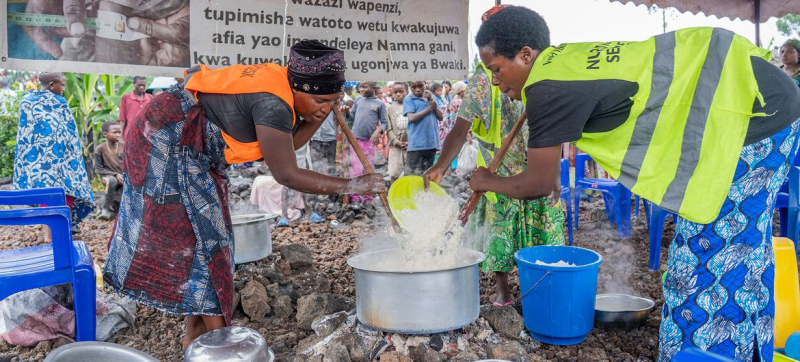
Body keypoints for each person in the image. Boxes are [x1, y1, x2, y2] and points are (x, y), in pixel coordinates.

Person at [471, 6, 800, 361]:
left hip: (750, 111)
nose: (494, 81)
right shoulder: (561, 63)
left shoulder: (546, 86)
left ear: (525, 55)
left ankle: (708, 353)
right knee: (744, 251)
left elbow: (537, 183)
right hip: (757, 97)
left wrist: (488, 180)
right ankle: (745, 352)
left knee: (710, 262)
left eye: (496, 70)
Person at [104, 40, 385, 347]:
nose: (326, 107)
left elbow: (285, 148)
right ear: (299, 89)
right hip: (166, 141)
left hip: (192, 148)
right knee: (204, 239)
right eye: (321, 100)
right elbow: (286, 173)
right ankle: (219, 340)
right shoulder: (272, 103)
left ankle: (196, 337)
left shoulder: (285, 91)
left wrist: (316, 118)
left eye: (332, 101)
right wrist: (353, 185)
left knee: (209, 236)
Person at [424, 6, 564, 307]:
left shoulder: (545, 75)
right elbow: (460, 130)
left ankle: (542, 292)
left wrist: (554, 175)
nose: (495, 75)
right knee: (498, 233)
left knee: (544, 234)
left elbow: (556, 131)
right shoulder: (481, 81)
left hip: (536, 168)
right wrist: (440, 166)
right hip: (498, 174)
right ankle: (503, 291)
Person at [13, 72, 95, 234]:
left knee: (57, 193)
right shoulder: (43, 102)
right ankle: (51, 235)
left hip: (55, 160)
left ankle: (54, 233)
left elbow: (64, 131)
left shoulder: (29, 102)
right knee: (55, 194)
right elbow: (29, 134)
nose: (64, 89)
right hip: (44, 161)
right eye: (62, 85)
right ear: (52, 85)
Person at [348, 81, 388, 203]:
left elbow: (385, 123)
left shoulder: (380, 104)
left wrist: (378, 131)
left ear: (373, 87)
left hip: (370, 142)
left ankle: (367, 198)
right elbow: (351, 118)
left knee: (368, 168)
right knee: (356, 169)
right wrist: (346, 112)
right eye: (360, 87)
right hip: (356, 140)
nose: (361, 89)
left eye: (365, 87)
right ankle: (355, 197)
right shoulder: (358, 100)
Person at [404, 81, 442, 175]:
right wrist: (429, 109)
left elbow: (440, 117)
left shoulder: (431, 98)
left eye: (420, 86)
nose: (418, 89)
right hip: (417, 144)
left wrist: (433, 105)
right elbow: (411, 118)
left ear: (425, 85)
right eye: (414, 87)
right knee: (412, 173)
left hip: (431, 143)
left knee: (427, 173)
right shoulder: (409, 99)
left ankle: (424, 190)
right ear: (410, 87)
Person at [94, 121, 125, 221]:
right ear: (105, 134)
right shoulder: (100, 149)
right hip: (107, 177)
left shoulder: (124, 146)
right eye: (114, 132)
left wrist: (123, 175)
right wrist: (116, 174)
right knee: (112, 180)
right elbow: (98, 169)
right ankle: (106, 209)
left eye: (119, 132)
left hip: (123, 176)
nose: (118, 134)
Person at [118, 76, 154, 141]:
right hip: (130, 134)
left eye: (143, 85)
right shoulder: (126, 97)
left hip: (146, 135)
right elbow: (122, 120)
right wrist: (120, 137)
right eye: (139, 85)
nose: (141, 87)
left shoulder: (150, 98)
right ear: (134, 84)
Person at [386, 82, 409, 181]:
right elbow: (388, 128)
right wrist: (396, 142)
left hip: (410, 146)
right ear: (392, 94)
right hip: (396, 147)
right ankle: (393, 194)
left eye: (401, 91)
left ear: (407, 92)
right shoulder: (389, 109)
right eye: (395, 92)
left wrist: (410, 141)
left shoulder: (412, 107)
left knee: (409, 172)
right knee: (394, 173)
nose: (398, 94)